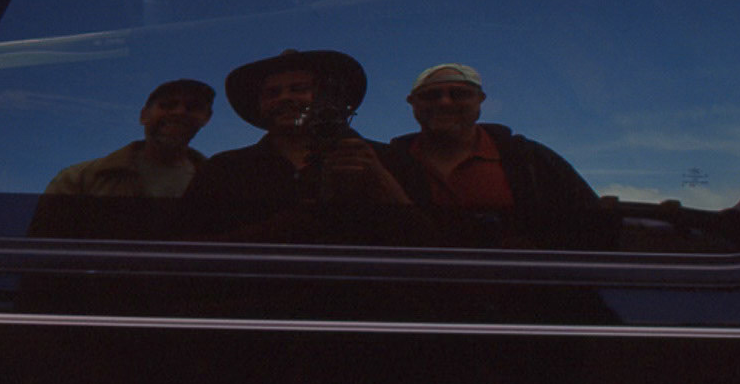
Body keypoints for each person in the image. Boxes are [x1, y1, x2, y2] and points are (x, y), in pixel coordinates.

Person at [184, 49, 425, 242]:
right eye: (272, 93)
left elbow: (430, 245)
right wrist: (283, 228)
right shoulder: (224, 169)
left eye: (299, 89)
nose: (284, 98)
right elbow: (188, 249)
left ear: (330, 97)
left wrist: (382, 182)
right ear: (260, 106)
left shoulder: (391, 160)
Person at [390, 63, 614, 249]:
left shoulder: (530, 160)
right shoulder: (386, 162)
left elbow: (591, 228)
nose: (445, 102)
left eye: (459, 94)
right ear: (412, 103)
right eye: (431, 95)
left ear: (480, 99)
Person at [28, 78, 214, 239]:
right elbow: (45, 253)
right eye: (167, 105)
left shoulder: (217, 182)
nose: (179, 112)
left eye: (192, 107)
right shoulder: (80, 179)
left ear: (206, 119)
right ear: (143, 115)